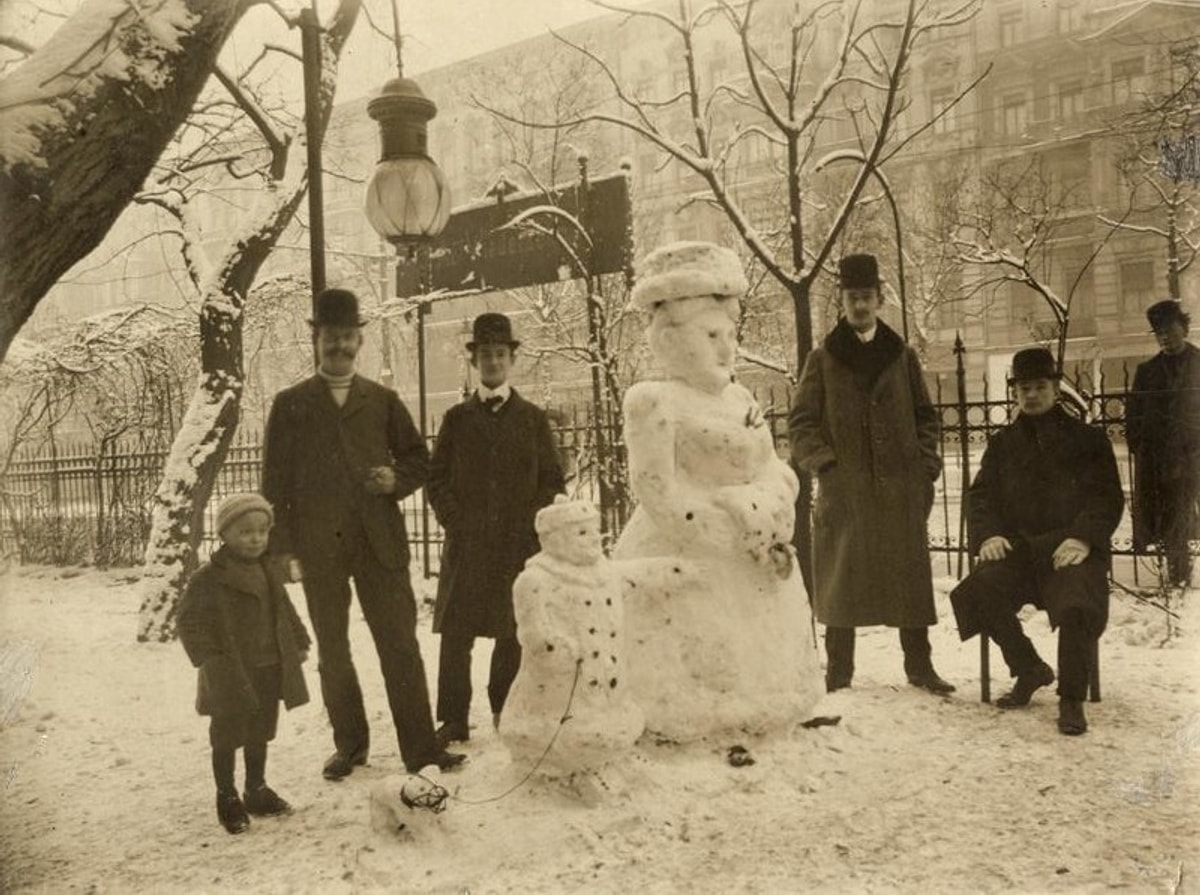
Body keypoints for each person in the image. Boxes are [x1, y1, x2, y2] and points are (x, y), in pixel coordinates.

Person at [613, 241, 822, 741]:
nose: (726, 348)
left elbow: (772, 465)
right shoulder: (653, 401)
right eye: (711, 335)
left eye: (729, 334)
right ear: (670, 339)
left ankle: (769, 711)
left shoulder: (741, 398)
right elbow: (658, 494)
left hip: (754, 551)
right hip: (691, 553)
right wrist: (731, 529)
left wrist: (769, 509)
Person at [262, 287, 463, 780]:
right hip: (318, 550)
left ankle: (421, 751)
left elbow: (419, 459)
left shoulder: (383, 401)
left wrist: (397, 480)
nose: (340, 347)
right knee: (333, 651)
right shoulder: (290, 406)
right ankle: (349, 747)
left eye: (348, 337)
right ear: (317, 340)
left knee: (399, 645)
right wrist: (283, 550)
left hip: (381, 546)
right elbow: (275, 487)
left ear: (359, 341)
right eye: (331, 337)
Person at [789, 253, 953, 695]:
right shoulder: (823, 359)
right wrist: (825, 464)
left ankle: (920, 668)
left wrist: (925, 466)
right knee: (843, 579)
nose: (860, 306)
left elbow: (926, 418)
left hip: (901, 487)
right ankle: (838, 672)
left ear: (880, 299)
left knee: (908, 579)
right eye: (851, 297)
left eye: (867, 297)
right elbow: (800, 424)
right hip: (848, 491)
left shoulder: (902, 357)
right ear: (841, 301)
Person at [950, 347, 1124, 736]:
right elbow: (981, 497)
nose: (1030, 395)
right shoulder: (1002, 444)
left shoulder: (1088, 440)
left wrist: (1083, 538)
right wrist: (988, 535)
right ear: (1015, 392)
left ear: (1056, 388)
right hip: (1023, 554)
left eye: (1039, 387)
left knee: (1077, 600)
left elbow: (1107, 498)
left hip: (1070, 551)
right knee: (980, 587)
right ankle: (1028, 668)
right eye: (1023, 388)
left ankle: (1071, 699)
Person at [426, 312, 564, 745]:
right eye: (485, 355)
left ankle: (506, 708)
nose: (492, 362)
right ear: (474, 361)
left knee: (511, 632)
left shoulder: (532, 419)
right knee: (455, 634)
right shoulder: (456, 419)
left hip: (514, 546)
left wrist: (529, 526)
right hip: (467, 546)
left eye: (500, 354)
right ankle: (452, 719)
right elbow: (437, 478)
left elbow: (552, 481)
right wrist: (454, 520)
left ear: (511, 360)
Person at [177, 493, 311, 834]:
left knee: (260, 731)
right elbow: (188, 622)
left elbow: (284, 609)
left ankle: (256, 789)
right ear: (224, 535)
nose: (255, 539)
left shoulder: (268, 570)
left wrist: (299, 641)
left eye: (262, 531)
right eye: (246, 532)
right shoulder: (208, 578)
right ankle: (227, 796)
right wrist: (210, 658)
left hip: (268, 666)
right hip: (230, 672)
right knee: (226, 733)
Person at [500, 496, 644, 777]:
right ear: (554, 539)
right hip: (560, 683)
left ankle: (606, 764)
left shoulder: (604, 572)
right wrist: (555, 649)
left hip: (607, 678)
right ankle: (559, 772)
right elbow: (533, 632)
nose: (593, 539)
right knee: (566, 731)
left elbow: (637, 574)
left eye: (593, 531)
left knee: (609, 721)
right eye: (581, 533)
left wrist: (678, 571)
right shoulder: (536, 580)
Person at [1127, 298, 1200, 587]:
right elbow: (1133, 414)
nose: (1165, 338)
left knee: (1186, 511)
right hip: (1161, 459)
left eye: (1170, 330)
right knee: (1171, 515)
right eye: (1159, 333)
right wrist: (1139, 445)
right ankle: (1177, 575)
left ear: (1184, 327)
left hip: (1195, 453)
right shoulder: (1147, 371)